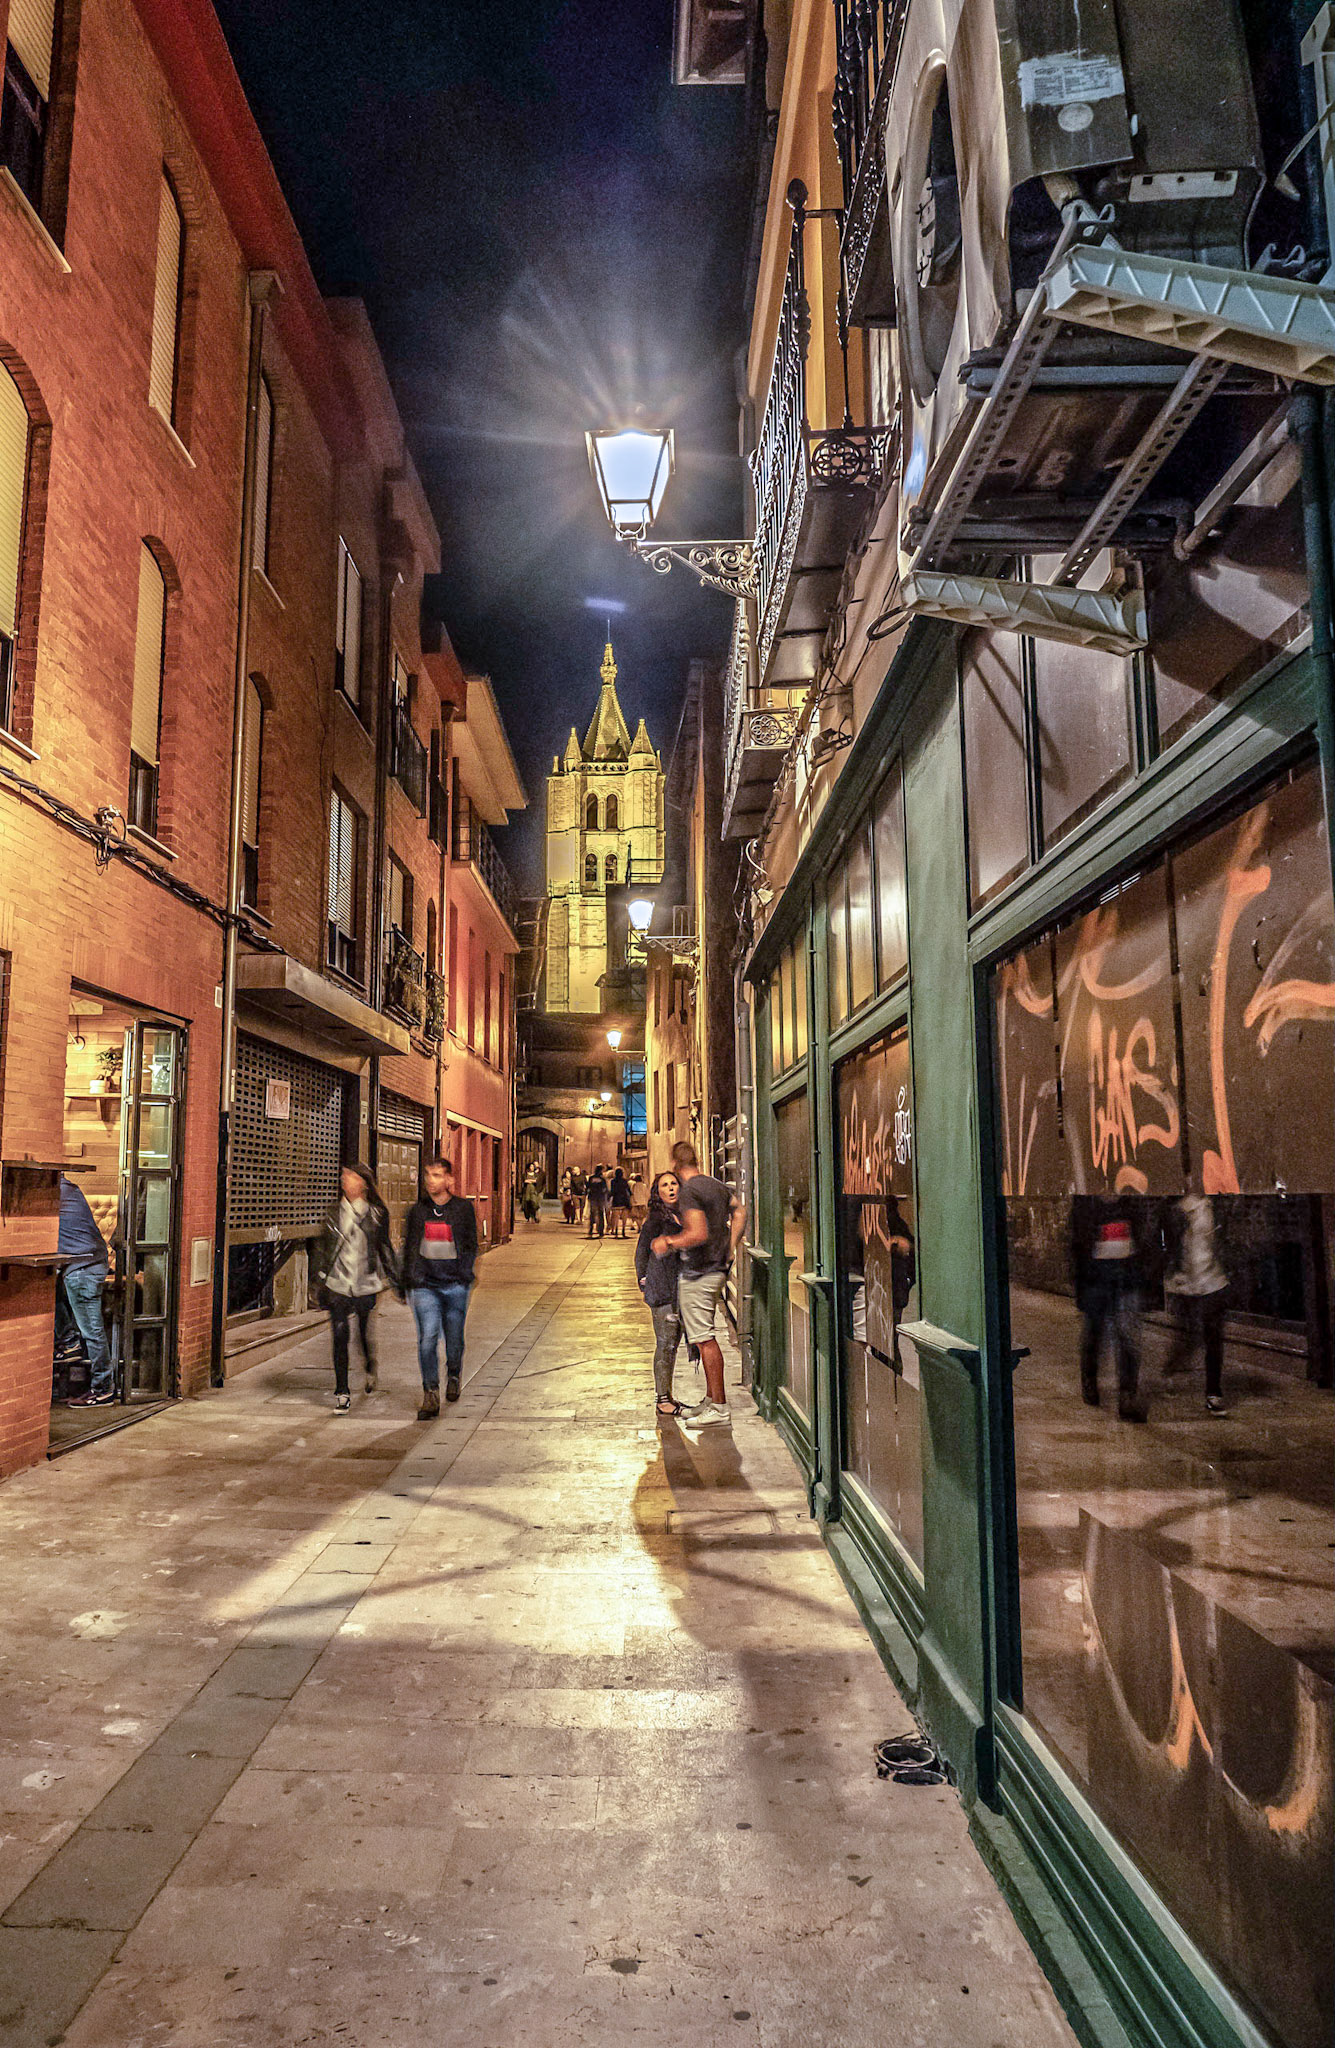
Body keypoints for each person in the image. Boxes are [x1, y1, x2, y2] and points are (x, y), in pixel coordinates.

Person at [652, 1140, 745, 1427]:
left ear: (677, 1166)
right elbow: (739, 1211)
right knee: (704, 1337)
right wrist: (730, 1247)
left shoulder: (690, 1191)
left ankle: (718, 1407)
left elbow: (698, 1233)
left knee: (704, 1339)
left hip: (699, 1273)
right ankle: (709, 1399)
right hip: (716, 1269)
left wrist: (668, 1241)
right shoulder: (715, 1185)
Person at [311, 1163, 398, 1412]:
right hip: (338, 1284)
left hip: (365, 1284)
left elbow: (385, 1249)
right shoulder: (333, 1213)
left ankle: (370, 1366)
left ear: (363, 1183)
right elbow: (322, 1248)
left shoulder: (376, 1214)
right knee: (339, 1335)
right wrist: (318, 1279)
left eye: (350, 1176)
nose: (344, 1179)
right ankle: (342, 1391)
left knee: (362, 1334)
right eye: (343, 1175)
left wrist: (396, 1281)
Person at [403, 1156, 478, 1419]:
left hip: (455, 1286)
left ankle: (454, 1374)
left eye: (436, 1175)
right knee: (427, 1339)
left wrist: (464, 1272)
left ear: (449, 1179)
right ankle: (430, 1393)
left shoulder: (462, 1209)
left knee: (454, 1340)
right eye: (428, 1175)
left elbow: (470, 1244)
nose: (430, 1180)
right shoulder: (417, 1211)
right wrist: (408, 1279)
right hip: (426, 1286)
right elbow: (409, 1247)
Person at [1069, 1192, 1148, 1422]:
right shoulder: (1085, 1203)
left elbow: (1142, 1235)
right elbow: (1078, 1245)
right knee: (1094, 1334)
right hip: (1096, 1279)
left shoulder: (1131, 1200)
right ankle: (1090, 1382)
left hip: (1126, 1278)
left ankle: (1127, 1395)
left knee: (1128, 1337)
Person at [1163, 1189, 1229, 1415]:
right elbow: (1170, 1248)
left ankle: (1214, 1392)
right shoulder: (1176, 1209)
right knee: (1189, 1337)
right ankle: (1170, 1369)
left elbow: (1225, 1241)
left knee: (1213, 1337)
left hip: (1213, 1281)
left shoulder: (1216, 1205)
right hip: (1185, 1284)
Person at [58, 1174, 113, 1408]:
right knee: (46, 1291)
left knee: (92, 1331)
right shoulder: (66, 1188)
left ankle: (103, 1389)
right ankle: (69, 1342)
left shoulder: (54, 1193)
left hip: (84, 1267)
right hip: (85, 1263)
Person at [636, 1170, 686, 1419]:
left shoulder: (684, 1216)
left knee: (673, 1344)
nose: (671, 1188)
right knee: (665, 1344)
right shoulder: (655, 1221)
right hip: (662, 1290)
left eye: (674, 1183)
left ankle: (667, 1394)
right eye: (665, 1185)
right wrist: (644, 1281)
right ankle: (662, 1399)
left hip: (680, 1290)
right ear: (658, 1192)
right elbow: (641, 1253)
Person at [608, 1166, 633, 1239]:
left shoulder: (613, 1181)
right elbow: (628, 1191)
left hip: (616, 1201)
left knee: (615, 1217)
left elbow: (612, 1191)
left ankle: (616, 1231)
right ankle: (623, 1231)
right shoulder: (625, 1181)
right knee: (624, 1218)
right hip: (624, 1201)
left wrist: (609, 1197)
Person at [585, 1164, 608, 1239]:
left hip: (592, 1197)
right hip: (600, 1198)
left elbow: (587, 1187)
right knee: (601, 1214)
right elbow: (605, 1189)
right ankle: (600, 1231)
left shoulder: (591, 1178)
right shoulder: (602, 1179)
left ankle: (591, 1230)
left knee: (592, 1214)